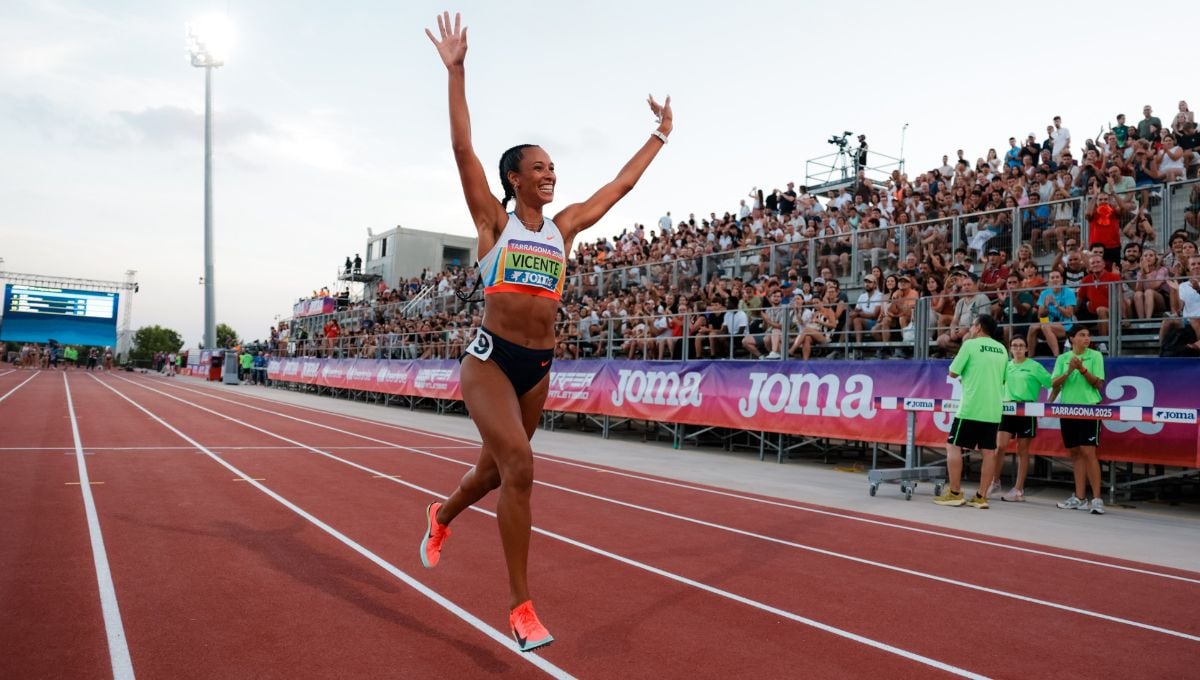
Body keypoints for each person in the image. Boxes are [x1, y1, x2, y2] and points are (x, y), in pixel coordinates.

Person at [421, 12, 673, 652]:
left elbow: (619, 187)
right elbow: (462, 149)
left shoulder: (563, 229)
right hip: (490, 362)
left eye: (553, 166)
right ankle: (520, 606)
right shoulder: (491, 225)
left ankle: (441, 513)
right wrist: (457, 73)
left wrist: (660, 137)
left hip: (538, 367)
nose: (551, 173)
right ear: (515, 178)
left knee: (495, 476)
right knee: (522, 465)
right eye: (539, 166)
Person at [934, 314, 1009, 509]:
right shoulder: (1002, 349)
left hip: (971, 407)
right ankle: (981, 497)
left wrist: (966, 376)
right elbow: (1002, 379)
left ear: (978, 328)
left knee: (953, 445)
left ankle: (955, 492)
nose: (970, 329)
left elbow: (953, 372)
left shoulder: (970, 345)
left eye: (973, 325)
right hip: (993, 409)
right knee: (989, 452)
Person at [1049, 325, 1106, 514]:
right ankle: (1080, 498)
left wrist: (1081, 368)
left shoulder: (1095, 356)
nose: (1086, 338)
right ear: (1072, 338)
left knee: (1089, 452)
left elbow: (1098, 383)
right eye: (1082, 335)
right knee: (1075, 453)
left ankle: (1097, 499)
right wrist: (1069, 371)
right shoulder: (1062, 358)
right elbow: (1054, 384)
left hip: (1088, 408)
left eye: (1088, 335)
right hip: (1067, 409)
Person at [997, 337, 1052, 502]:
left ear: (1027, 349)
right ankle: (994, 482)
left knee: (1023, 451)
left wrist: (1048, 404)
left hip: (1026, 410)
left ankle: (1018, 489)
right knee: (1000, 447)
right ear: (1010, 349)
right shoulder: (1006, 365)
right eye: (1014, 346)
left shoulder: (1034, 366)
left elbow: (1051, 383)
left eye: (1021, 346)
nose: (1018, 348)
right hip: (1007, 409)